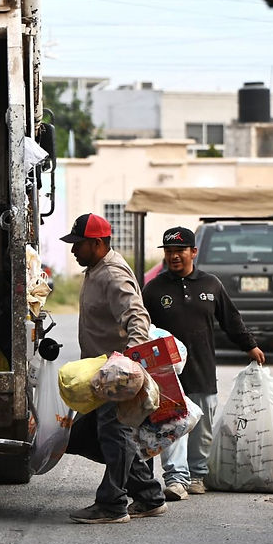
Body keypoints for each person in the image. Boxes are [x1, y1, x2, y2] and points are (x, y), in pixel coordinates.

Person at [142, 226, 265, 501]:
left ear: (193, 252)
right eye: (169, 251)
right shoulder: (153, 288)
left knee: (202, 426)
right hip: (167, 374)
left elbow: (231, 320)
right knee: (171, 424)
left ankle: (197, 475)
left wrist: (250, 345)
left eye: (180, 250)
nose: (174, 256)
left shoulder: (211, 285)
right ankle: (176, 479)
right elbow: (140, 326)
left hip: (203, 368)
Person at [61, 213, 167, 524]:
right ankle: (148, 495)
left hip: (115, 375)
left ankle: (112, 504)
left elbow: (137, 317)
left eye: (78, 244)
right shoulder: (95, 269)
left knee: (113, 434)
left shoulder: (112, 273)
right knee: (84, 436)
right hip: (99, 375)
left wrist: (126, 363)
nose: (73, 250)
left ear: (97, 243)